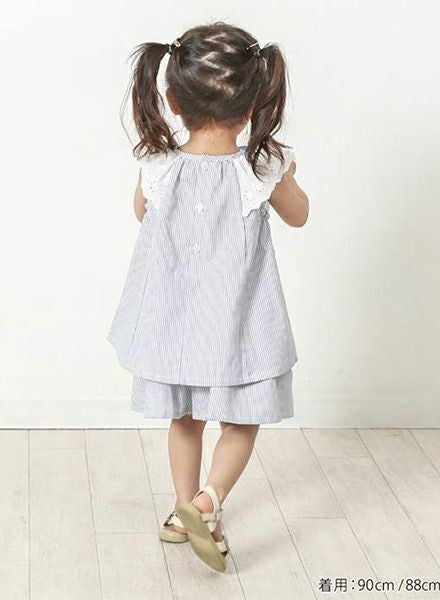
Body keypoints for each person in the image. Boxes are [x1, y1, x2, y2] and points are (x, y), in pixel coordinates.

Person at [107, 21, 309, 573]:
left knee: (185, 417)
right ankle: (208, 501)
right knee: (241, 421)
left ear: (173, 100)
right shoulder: (261, 165)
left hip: (175, 322)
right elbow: (299, 215)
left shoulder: (157, 162)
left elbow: (142, 214)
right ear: (253, 103)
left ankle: (182, 510)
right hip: (240, 322)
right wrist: (287, 176)